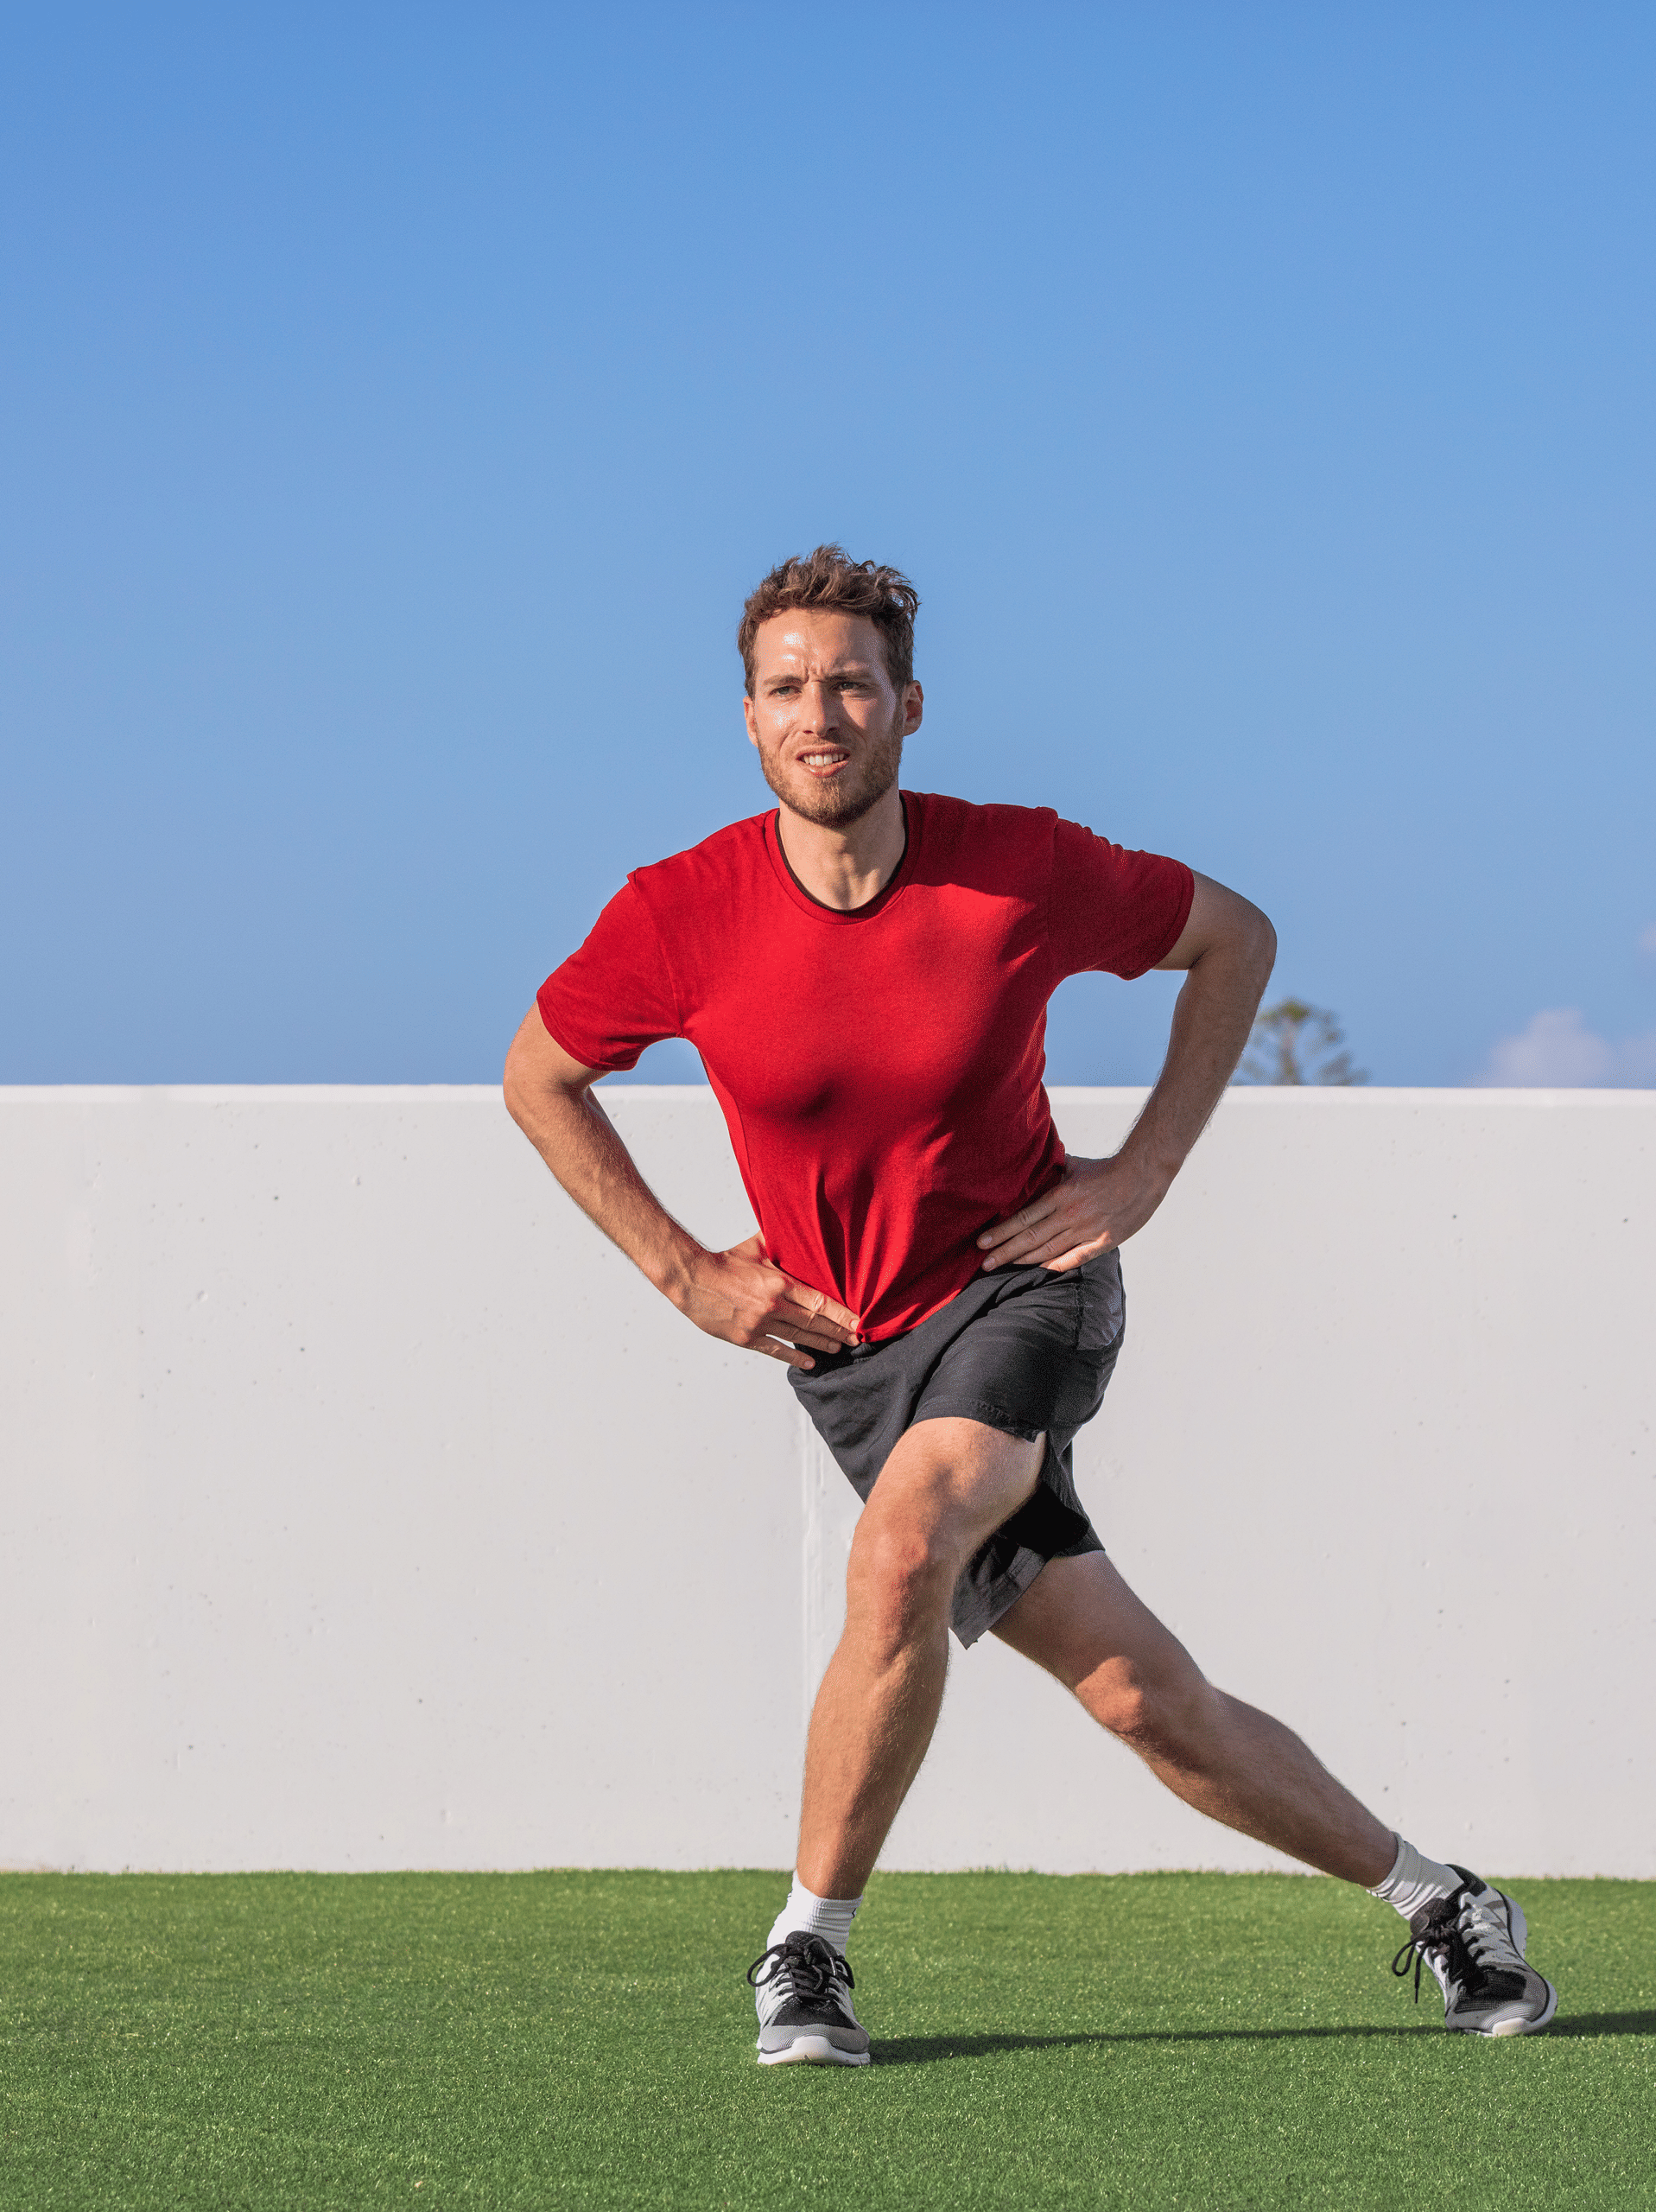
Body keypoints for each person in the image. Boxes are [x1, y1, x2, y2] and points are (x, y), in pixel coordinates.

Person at [501, 546, 1554, 2064]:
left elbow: (1232, 938)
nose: (823, 715)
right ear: (747, 721)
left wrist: (1146, 1171)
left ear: (908, 707)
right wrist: (687, 1273)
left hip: (1025, 1288)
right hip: (853, 1353)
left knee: (905, 1545)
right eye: (789, 689)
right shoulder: (682, 912)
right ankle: (1442, 1901)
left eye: (852, 685)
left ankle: (806, 1954)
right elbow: (542, 1076)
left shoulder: (1018, 868)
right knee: (1142, 1697)